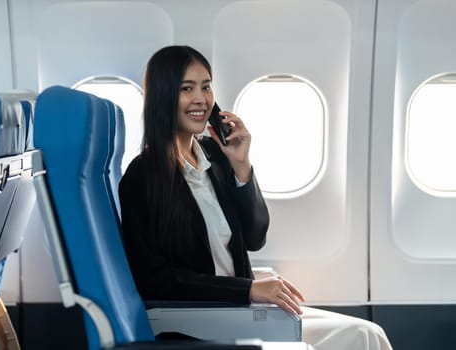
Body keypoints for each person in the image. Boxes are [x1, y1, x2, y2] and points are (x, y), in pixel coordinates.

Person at [118, 45, 392, 350]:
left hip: (241, 309)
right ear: (164, 95)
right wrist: (247, 290)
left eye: (206, 87)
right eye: (187, 88)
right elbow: (154, 279)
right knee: (359, 338)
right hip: (203, 317)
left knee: (370, 332)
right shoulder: (142, 177)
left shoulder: (215, 157)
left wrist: (241, 166)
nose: (201, 99)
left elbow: (255, 237)